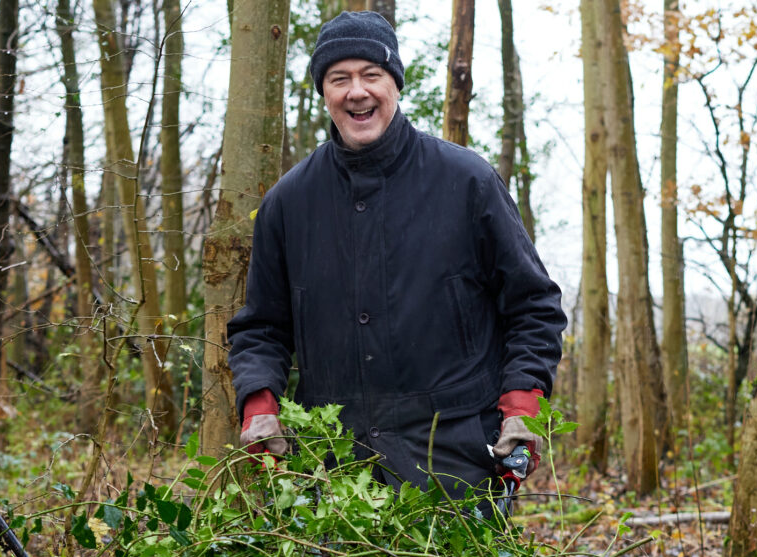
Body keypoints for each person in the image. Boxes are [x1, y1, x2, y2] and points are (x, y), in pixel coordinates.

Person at [227, 11, 566, 514]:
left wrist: (522, 405)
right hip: (338, 471)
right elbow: (261, 327)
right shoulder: (289, 203)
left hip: (457, 463)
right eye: (339, 78)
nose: (356, 91)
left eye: (371, 75)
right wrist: (259, 403)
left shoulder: (467, 182)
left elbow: (533, 305)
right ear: (324, 91)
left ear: (395, 84)